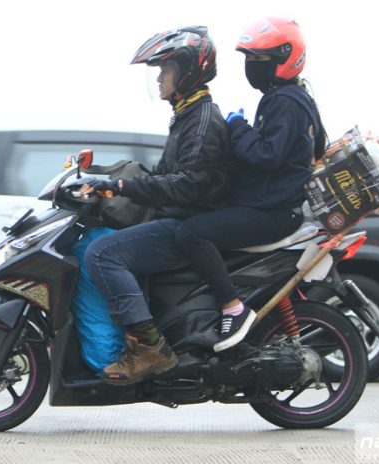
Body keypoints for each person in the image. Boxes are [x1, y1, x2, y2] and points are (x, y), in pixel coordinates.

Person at [81, 26, 231, 385]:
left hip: (186, 224)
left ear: (188, 72)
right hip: (178, 217)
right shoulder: (187, 115)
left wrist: (122, 186)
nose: (160, 79)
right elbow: (166, 175)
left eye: (166, 70)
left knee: (102, 254)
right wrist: (111, 181)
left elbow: (187, 186)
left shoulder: (202, 122)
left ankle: (149, 347)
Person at [175, 17, 327, 352]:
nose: (252, 65)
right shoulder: (294, 97)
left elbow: (267, 155)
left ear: (286, 57)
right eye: (249, 58)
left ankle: (232, 307)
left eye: (260, 58)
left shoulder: (284, 100)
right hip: (274, 206)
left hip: (274, 212)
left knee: (191, 233)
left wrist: (238, 127)